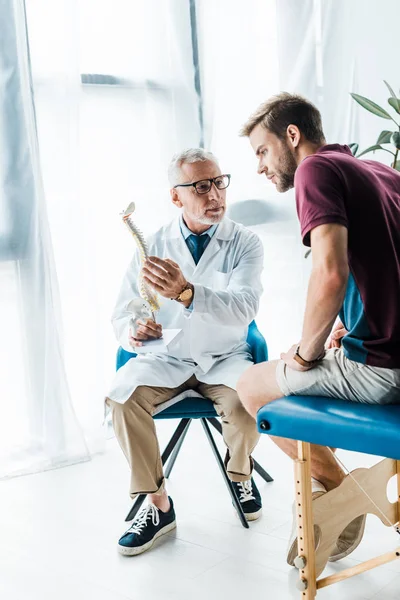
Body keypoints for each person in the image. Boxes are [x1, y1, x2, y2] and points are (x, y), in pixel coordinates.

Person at [237, 92, 400, 565]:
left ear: (293, 135)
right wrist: (350, 323)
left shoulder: (314, 170)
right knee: (293, 369)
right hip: (389, 351)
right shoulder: (380, 171)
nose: (261, 167)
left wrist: (306, 356)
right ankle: (332, 493)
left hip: (383, 370)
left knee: (252, 386)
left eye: (263, 152)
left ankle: (340, 489)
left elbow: (331, 271)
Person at [106, 148, 265, 556]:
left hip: (224, 357)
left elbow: (246, 307)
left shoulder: (245, 242)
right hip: (167, 357)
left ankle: (240, 473)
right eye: (200, 186)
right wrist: (135, 333)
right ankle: (158, 505)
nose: (214, 194)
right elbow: (124, 311)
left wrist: (187, 293)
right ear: (176, 197)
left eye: (218, 182)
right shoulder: (153, 244)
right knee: (122, 399)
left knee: (246, 410)